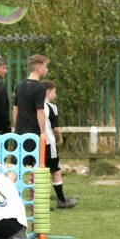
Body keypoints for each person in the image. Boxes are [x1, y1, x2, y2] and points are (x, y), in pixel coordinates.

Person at [43, 81, 76, 209]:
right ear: (48, 92)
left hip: (37, 144)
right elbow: (56, 129)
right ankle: (61, 200)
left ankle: (39, 201)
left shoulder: (34, 106)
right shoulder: (51, 107)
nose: (55, 95)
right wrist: (60, 139)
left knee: (37, 172)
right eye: (54, 92)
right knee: (55, 171)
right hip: (49, 143)